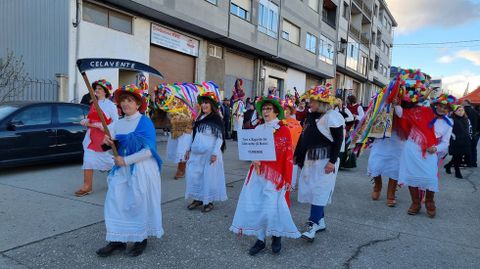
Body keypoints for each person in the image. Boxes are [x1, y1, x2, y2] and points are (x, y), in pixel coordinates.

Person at [97, 84, 163, 257]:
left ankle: (141, 239)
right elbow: (109, 146)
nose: (126, 103)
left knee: (137, 203)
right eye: (123, 100)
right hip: (121, 169)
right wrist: (107, 142)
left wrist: (126, 160)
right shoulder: (117, 124)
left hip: (140, 169)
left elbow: (148, 151)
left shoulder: (145, 122)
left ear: (138, 104)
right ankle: (117, 240)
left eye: (130, 100)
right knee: (116, 201)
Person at [230, 95, 300, 256]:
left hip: (275, 176)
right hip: (257, 173)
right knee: (258, 205)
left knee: (272, 207)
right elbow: (253, 149)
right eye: (264, 108)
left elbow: (287, 155)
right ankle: (260, 239)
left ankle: (276, 236)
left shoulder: (283, 130)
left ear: (276, 112)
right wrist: (254, 159)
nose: (265, 111)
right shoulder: (258, 128)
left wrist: (286, 177)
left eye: (269, 109)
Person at [294, 85, 345, 242]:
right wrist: (298, 156)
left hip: (325, 160)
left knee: (319, 191)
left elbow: (338, 141)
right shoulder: (310, 117)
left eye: (313, 101)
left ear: (321, 102)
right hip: (311, 159)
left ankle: (312, 224)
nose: (310, 104)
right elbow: (303, 138)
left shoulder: (332, 116)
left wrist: (332, 161)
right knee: (311, 190)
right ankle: (320, 221)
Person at [396, 77, 440, 218]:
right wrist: (396, 89)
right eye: (409, 93)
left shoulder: (428, 110)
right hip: (412, 149)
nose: (412, 96)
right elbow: (395, 101)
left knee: (430, 176)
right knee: (412, 175)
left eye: (415, 93)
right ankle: (415, 202)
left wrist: (436, 147)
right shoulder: (403, 111)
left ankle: (429, 201)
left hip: (429, 149)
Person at [184, 92, 227, 212]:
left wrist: (214, 153)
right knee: (194, 176)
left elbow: (219, 137)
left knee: (208, 178)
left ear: (212, 105)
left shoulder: (217, 119)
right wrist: (188, 149)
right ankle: (198, 198)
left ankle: (208, 201)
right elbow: (193, 135)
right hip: (196, 153)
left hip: (209, 154)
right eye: (202, 103)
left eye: (206, 102)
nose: (204, 105)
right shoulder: (199, 118)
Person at [75, 79, 118, 197]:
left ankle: (119, 176)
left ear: (105, 92)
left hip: (103, 138)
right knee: (88, 160)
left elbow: (116, 121)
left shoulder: (111, 106)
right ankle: (87, 186)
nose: (97, 90)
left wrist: (105, 127)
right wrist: (86, 121)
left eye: (99, 89)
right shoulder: (94, 103)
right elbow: (91, 117)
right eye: (96, 89)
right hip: (92, 137)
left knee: (109, 161)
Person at [367, 99, 404, 207]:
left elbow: (401, 115)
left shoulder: (406, 102)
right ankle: (377, 186)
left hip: (397, 139)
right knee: (374, 164)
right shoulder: (381, 99)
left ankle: (391, 194)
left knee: (395, 167)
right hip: (381, 137)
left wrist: (396, 104)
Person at [164, 94, 194, 179]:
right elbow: (169, 116)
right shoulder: (173, 107)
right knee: (176, 150)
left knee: (183, 150)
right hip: (176, 131)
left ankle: (181, 169)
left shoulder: (190, 106)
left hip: (186, 131)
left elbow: (191, 118)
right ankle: (182, 168)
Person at [445, 105, 472, 178]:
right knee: (457, 156)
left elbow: (469, 129)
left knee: (458, 157)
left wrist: (470, 136)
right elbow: (449, 130)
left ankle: (448, 166)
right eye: (459, 110)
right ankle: (457, 172)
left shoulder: (467, 119)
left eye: (462, 110)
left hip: (465, 141)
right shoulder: (451, 120)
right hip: (456, 141)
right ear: (454, 111)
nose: (461, 112)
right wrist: (454, 137)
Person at [282, 99, 302, 190]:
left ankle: (290, 185)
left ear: (291, 110)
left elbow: (297, 138)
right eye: (283, 109)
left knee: (291, 168)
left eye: (286, 109)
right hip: (280, 151)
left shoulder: (295, 123)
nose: (284, 111)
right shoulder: (278, 122)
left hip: (291, 151)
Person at [462, 100, 479, 167]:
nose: (462, 103)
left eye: (463, 102)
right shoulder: (476, 112)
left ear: (466, 103)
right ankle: (474, 163)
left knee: (467, 148)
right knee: (473, 148)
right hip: (475, 133)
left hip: (467, 133)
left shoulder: (463, 111)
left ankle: (468, 162)